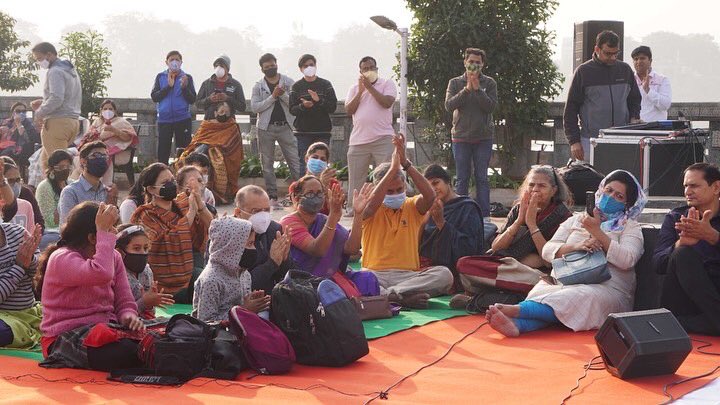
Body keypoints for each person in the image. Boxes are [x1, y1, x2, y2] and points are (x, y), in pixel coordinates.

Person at [486, 170, 646, 336]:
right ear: (600, 190)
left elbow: (628, 260)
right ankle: (517, 325)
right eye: (609, 190)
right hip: (567, 279)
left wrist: (598, 232)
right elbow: (548, 251)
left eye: (619, 196)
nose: (611, 197)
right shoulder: (577, 219)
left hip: (607, 287)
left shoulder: (630, 227)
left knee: (581, 296)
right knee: (546, 291)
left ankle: (519, 311)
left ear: (627, 204)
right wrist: (577, 246)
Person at [37, 202, 145, 370]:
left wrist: (129, 316)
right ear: (93, 237)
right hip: (64, 337)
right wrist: (103, 233)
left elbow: (124, 301)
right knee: (127, 352)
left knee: (156, 337)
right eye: (110, 230)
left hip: (105, 329)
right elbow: (101, 273)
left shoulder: (113, 257)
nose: (114, 235)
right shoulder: (62, 258)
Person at [360, 134, 453, 308]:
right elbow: (370, 206)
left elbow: (430, 196)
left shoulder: (411, 206)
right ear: (379, 189)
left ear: (405, 187)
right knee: (356, 278)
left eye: (399, 189)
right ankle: (402, 297)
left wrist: (405, 164)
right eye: (389, 190)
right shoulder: (369, 207)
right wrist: (392, 169)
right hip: (374, 275)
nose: (395, 194)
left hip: (408, 277)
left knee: (444, 275)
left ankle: (392, 296)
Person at [653, 163, 720, 335]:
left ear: (716, 187)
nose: (688, 191)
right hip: (684, 299)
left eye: (694, 186)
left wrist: (713, 237)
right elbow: (658, 264)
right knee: (682, 254)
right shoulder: (676, 218)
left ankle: (705, 323)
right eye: (686, 186)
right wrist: (680, 244)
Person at [280, 176, 376, 294]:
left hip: (327, 277)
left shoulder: (323, 220)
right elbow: (317, 249)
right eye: (310, 193)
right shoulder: (289, 222)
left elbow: (352, 248)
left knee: (367, 280)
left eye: (319, 193)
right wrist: (334, 216)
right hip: (301, 283)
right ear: (296, 197)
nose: (316, 197)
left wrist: (358, 214)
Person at [131, 163, 212, 303]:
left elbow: (213, 227)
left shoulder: (182, 203)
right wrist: (191, 214)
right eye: (165, 183)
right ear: (151, 189)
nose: (171, 185)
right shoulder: (145, 215)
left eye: (172, 181)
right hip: (162, 283)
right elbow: (166, 240)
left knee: (207, 280)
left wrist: (200, 205)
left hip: (190, 272)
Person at [564, 31, 642, 161]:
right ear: (597, 49)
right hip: (590, 140)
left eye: (615, 53)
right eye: (607, 53)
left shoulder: (625, 69)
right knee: (590, 180)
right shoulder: (583, 72)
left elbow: (635, 99)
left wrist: (634, 116)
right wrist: (574, 141)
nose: (612, 57)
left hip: (622, 139)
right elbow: (571, 109)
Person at [444, 48, 497, 219]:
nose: (474, 65)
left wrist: (478, 89)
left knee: (482, 178)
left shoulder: (489, 83)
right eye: (471, 61)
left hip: (483, 138)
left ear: (482, 64)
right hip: (461, 137)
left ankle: (484, 216)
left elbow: (490, 107)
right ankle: (461, 214)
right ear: (465, 62)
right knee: (462, 178)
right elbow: (449, 105)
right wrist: (467, 89)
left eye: (477, 62)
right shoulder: (455, 82)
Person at [192, 216, 271, 323]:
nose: (254, 249)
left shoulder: (244, 274)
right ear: (231, 247)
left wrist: (253, 302)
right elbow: (206, 322)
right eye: (249, 244)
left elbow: (242, 307)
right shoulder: (211, 280)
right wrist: (243, 310)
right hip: (218, 337)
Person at [420, 164, 486, 289]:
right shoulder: (427, 208)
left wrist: (441, 223)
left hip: (453, 270)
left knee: (442, 275)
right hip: (426, 267)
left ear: (448, 182)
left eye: (436, 183)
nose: (433, 189)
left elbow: (469, 248)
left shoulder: (467, 207)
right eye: (428, 187)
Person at [345, 56, 396, 216]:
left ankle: (386, 207)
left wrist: (370, 88)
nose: (369, 71)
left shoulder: (387, 84)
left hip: (383, 138)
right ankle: (353, 209)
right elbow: (349, 110)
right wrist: (361, 90)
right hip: (358, 140)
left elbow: (387, 103)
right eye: (365, 69)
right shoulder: (354, 88)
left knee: (386, 175)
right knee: (356, 178)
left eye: (372, 67)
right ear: (360, 71)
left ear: (376, 69)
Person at [252, 53, 302, 208]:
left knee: (294, 161)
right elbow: (255, 107)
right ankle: (272, 196)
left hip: (286, 127)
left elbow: (295, 103)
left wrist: (283, 95)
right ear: (262, 69)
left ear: (276, 64)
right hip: (265, 128)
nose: (270, 68)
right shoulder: (258, 86)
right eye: (267, 67)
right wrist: (273, 96)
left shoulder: (288, 82)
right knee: (267, 164)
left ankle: (300, 194)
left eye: (272, 65)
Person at [176, 102, 243, 203]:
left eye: (227, 112)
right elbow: (196, 141)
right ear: (216, 113)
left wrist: (213, 147)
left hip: (221, 154)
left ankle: (213, 193)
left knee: (211, 156)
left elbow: (231, 146)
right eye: (221, 111)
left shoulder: (232, 126)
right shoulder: (207, 125)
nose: (224, 114)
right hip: (200, 152)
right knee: (190, 156)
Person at [30, 42, 82, 171]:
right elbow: (63, 97)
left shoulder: (55, 71)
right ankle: (47, 191)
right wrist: (44, 102)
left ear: (49, 54)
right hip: (72, 121)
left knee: (59, 167)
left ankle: (65, 191)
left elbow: (57, 98)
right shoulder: (69, 69)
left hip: (57, 122)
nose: (39, 62)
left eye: (39, 58)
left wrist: (39, 112)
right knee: (47, 163)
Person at [234, 185, 294, 294]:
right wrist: (272, 263)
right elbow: (238, 285)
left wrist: (284, 260)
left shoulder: (274, 230)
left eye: (266, 210)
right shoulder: (228, 236)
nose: (262, 216)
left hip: (270, 298)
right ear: (238, 212)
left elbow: (284, 276)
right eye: (256, 211)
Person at [73, 99, 138, 185]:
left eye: (110, 109)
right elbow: (87, 136)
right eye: (105, 109)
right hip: (94, 148)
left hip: (116, 153)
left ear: (114, 111)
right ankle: (83, 182)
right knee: (77, 158)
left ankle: (97, 183)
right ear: (101, 110)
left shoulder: (121, 122)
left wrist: (114, 130)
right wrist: (93, 135)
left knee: (100, 157)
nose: (107, 111)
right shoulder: (97, 122)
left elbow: (128, 138)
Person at [115, 224, 174, 320]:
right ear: (120, 252)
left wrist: (151, 303)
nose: (143, 252)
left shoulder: (146, 271)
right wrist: (144, 302)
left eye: (146, 248)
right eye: (136, 248)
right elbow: (116, 314)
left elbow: (150, 312)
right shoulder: (115, 274)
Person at [0, 223, 42, 348]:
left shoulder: (18, 232)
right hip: (4, 319)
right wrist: (19, 267)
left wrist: (30, 258)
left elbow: (38, 273)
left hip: (30, 312)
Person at [151, 50, 197, 165]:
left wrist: (184, 88)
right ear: (166, 62)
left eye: (177, 60)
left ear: (181, 62)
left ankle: (183, 175)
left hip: (182, 119)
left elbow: (192, 99)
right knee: (163, 151)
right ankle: (163, 177)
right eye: (172, 60)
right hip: (164, 120)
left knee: (183, 151)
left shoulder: (187, 78)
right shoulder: (160, 77)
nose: (174, 62)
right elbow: (155, 97)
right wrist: (168, 87)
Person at [289, 54, 338, 162]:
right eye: (305, 66)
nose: (309, 68)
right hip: (302, 133)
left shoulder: (325, 84)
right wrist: (303, 106)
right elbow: (292, 109)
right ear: (301, 69)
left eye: (311, 65)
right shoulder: (296, 86)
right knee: (303, 163)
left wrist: (318, 101)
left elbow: (332, 107)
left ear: (316, 66)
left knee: (321, 163)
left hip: (322, 132)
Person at [57, 141, 118, 225]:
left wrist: (112, 203)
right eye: (96, 155)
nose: (102, 159)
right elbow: (66, 227)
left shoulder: (107, 192)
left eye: (105, 156)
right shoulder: (71, 192)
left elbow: (114, 225)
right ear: (83, 162)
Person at [1, 157, 44, 232]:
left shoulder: (26, 197)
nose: (15, 184)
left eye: (18, 180)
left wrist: (34, 238)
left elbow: (39, 222)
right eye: (10, 181)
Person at [631, 46, 672, 123]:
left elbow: (665, 105)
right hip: (634, 129)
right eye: (636, 59)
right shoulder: (629, 80)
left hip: (656, 130)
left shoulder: (662, 79)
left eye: (642, 58)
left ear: (650, 61)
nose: (639, 62)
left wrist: (648, 90)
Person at [35, 150, 72, 231]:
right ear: (51, 169)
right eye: (61, 167)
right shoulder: (44, 187)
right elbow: (50, 221)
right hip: (52, 231)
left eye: (68, 167)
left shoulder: (72, 184)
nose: (65, 170)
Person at [0, 102, 40, 170]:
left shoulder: (28, 125)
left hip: (20, 150)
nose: (21, 113)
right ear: (13, 113)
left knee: (7, 152)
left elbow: (29, 140)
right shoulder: (6, 123)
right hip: (3, 147)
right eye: (18, 111)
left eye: (24, 111)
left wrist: (19, 125)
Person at [304, 142, 339, 215]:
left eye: (323, 159)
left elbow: (336, 214)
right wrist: (321, 184)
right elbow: (303, 212)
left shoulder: (333, 185)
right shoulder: (298, 185)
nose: (318, 161)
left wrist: (326, 190)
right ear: (307, 159)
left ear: (327, 163)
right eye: (315, 157)